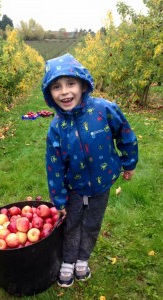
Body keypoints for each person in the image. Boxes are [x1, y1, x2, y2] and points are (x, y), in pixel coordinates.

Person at [41, 53, 138, 288]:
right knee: (72, 224)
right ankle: (68, 261)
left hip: (102, 183)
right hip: (75, 187)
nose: (64, 92)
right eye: (56, 87)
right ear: (49, 93)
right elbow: (53, 166)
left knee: (92, 223)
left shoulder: (104, 110)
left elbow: (125, 133)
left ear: (83, 84)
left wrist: (129, 162)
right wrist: (58, 200)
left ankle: (83, 259)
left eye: (70, 83)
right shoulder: (56, 128)